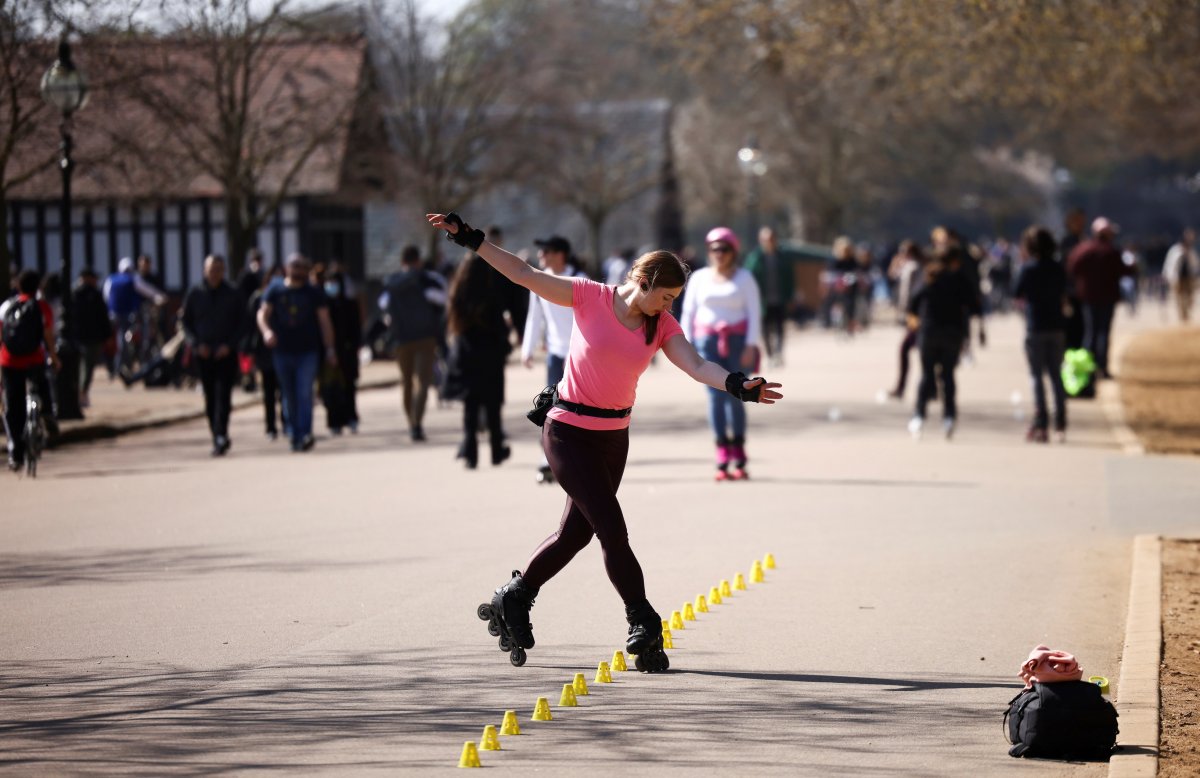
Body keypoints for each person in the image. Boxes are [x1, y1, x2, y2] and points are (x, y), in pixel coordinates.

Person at [427, 210, 782, 671]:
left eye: (675, 300)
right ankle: (642, 619)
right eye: (666, 296)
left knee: (574, 534)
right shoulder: (588, 297)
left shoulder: (661, 327)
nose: (668, 306)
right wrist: (471, 239)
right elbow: (523, 273)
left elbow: (696, 365)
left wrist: (737, 384)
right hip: (567, 431)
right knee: (611, 528)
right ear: (646, 280)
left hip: (613, 438)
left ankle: (513, 598)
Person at [681, 226, 763, 481]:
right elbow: (688, 312)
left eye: (724, 249)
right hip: (707, 341)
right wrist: (686, 345)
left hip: (737, 342)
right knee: (715, 398)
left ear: (733, 251)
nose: (719, 253)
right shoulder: (699, 278)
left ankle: (738, 450)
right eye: (714, 248)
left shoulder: (744, 278)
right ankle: (722, 452)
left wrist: (751, 344)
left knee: (738, 394)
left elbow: (754, 313)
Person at [256, 253, 337, 452]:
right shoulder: (275, 289)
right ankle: (293, 433)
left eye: (302, 266)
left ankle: (305, 433)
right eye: (295, 266)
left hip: (307, 351)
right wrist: (266, 332)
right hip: (282, 351)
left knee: (304, 393)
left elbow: (325, 322)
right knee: (288, 394)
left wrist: (330, 348)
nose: (299, 270)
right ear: (287, 267)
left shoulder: (313, 292)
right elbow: (262, 314)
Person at [522, 235, 586, 483]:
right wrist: (527, 349)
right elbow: (533, 317)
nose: (541, 257)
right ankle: (548, 459)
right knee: (551, 407)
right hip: (556, 355)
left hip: (580, 355)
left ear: (560, 254)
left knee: (580, 408)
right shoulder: (539, 281)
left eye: (545, 251)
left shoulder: (580, 279)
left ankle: (579, 458)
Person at [445, 252, 511, 469]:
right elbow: (499, 324)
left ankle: (471, 451)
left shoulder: (459, 292)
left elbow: (452, 322)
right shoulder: (491, 291)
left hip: (466, 352)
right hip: (490, 352)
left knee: (470, 405)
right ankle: (496, 450)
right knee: (493, 405)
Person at [906, 245, 980, 440]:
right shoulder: (959, 280)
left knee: (926, 375)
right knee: (947, 376)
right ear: (955, 261)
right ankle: (949, 417)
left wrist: (915, 323)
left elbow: (912, 305)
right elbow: (974, 306)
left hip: (928, 332)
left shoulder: (927, 277)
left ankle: (919, 415)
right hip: (952, 333)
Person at [380, 245, 447, 441]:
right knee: (423, 382)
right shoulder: (427, 279)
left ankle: (411, 421)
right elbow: (441, 299)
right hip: (425, 338)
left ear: (402, 262)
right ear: (418, 260)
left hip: (401, 339)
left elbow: (383, 304)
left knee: (406, 382)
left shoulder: (392, 282)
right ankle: (417, 423)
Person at [181, 255, 244, 456]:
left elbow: (242, 323)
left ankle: (221, 434)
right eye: (211, 269)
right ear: (204, 270)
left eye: (219, 269)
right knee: (209, 396)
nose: (215, 273)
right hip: (204, 353)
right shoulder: (195, 293)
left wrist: (230, 345)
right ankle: (216, 434)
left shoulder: (233, 293)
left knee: (224, 395)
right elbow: (185, 323)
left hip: (225, 353)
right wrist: (196, 344)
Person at [1013, 226, 1069, 443]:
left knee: (1037, 376)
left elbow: (1015, 292)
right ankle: (1061, 423)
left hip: (1035, 326)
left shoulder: (1028, 269)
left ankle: (1041, 423)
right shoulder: (1058, 268)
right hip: (1056, 325)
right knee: (1056, 375)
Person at [1, 270, 60, 471]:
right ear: (38, 288)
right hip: (34, 360)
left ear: (18, 286)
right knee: (42, 388)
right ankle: (47, 415)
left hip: (9, 361)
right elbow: (48, 336)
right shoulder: (42, 307)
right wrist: (54, 357)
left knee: (13, 407)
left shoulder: (7, 307)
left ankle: (15, 453)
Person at [1067, 217, 1134, 380]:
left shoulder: (1084, 250)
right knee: (1103, 333)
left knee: (1090, 333)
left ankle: (1087, 368)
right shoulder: (1112, 252)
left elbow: (1071, 268)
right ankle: (1101, 367)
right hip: (1106, 298)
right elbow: (1125, 271)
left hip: (1089, 298)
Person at [742, 226, 796, 366]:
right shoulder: (755, 258)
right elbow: (747, 279)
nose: (769, 241)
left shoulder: (782, 257)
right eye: (766, 239)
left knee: (780, 328)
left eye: (771, 238)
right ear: (761, 241)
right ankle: (771, 355)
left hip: (780, 299)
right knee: (765, 330)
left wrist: (790, 296)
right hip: (761, 301)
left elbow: (790, 278)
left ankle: (779, 353)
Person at [104, 257, 165, 376]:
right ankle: (124, 365)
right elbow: (147, 291)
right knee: (128, 339)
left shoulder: (111, 279)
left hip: (113, 314)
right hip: (129, 314)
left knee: (118, 339)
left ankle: (119, 365)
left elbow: (106, 296)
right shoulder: (134, 278)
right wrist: (160, 296)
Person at [321, 266, 362, 434]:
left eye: (335, 282)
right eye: (329, 282)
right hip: (328, 353)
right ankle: (334, 421)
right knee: (330, 388)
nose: (331, 286)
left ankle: (351, 418)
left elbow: (356, 330)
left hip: (347, 352)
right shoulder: (323, 305)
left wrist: (355, 347)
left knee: (348, 387)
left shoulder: (350, 304)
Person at [246, 264, 285, 440]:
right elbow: (251, 327)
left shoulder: (287, 297)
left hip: (284, 350)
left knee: (285, 391)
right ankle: (270, 427)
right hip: (265, 351)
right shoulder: (258, 298)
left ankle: (287, 423)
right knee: (268, 391)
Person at [886, 241, 925, 399]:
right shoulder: (914, 266)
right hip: (915, 315)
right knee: (922, 351)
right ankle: (931, 388)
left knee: (906, 350)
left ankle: (902, 388)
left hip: (914, 316)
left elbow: (909, 294)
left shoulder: (913, 268)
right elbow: (893, 275)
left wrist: (906, 313)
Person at [71, 267, 113, 408]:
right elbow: (102, 316)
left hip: (87, 336)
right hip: (87, 336)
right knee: (85, 366)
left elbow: (103, 316)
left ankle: (81, 392)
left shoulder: (88, 294)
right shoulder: (79, 294)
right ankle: (81, 392)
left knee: (87, 366)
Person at [1163, 229, 1199, 323]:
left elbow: (1195, 265)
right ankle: (1182, 315)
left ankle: (1186, 314)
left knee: (1189, 297)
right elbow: (1170, 264)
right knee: (1179, 297)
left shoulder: (1191, 252)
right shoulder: (1175, 251)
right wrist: (1167, 276)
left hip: (1189, 278)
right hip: (1177, 278)